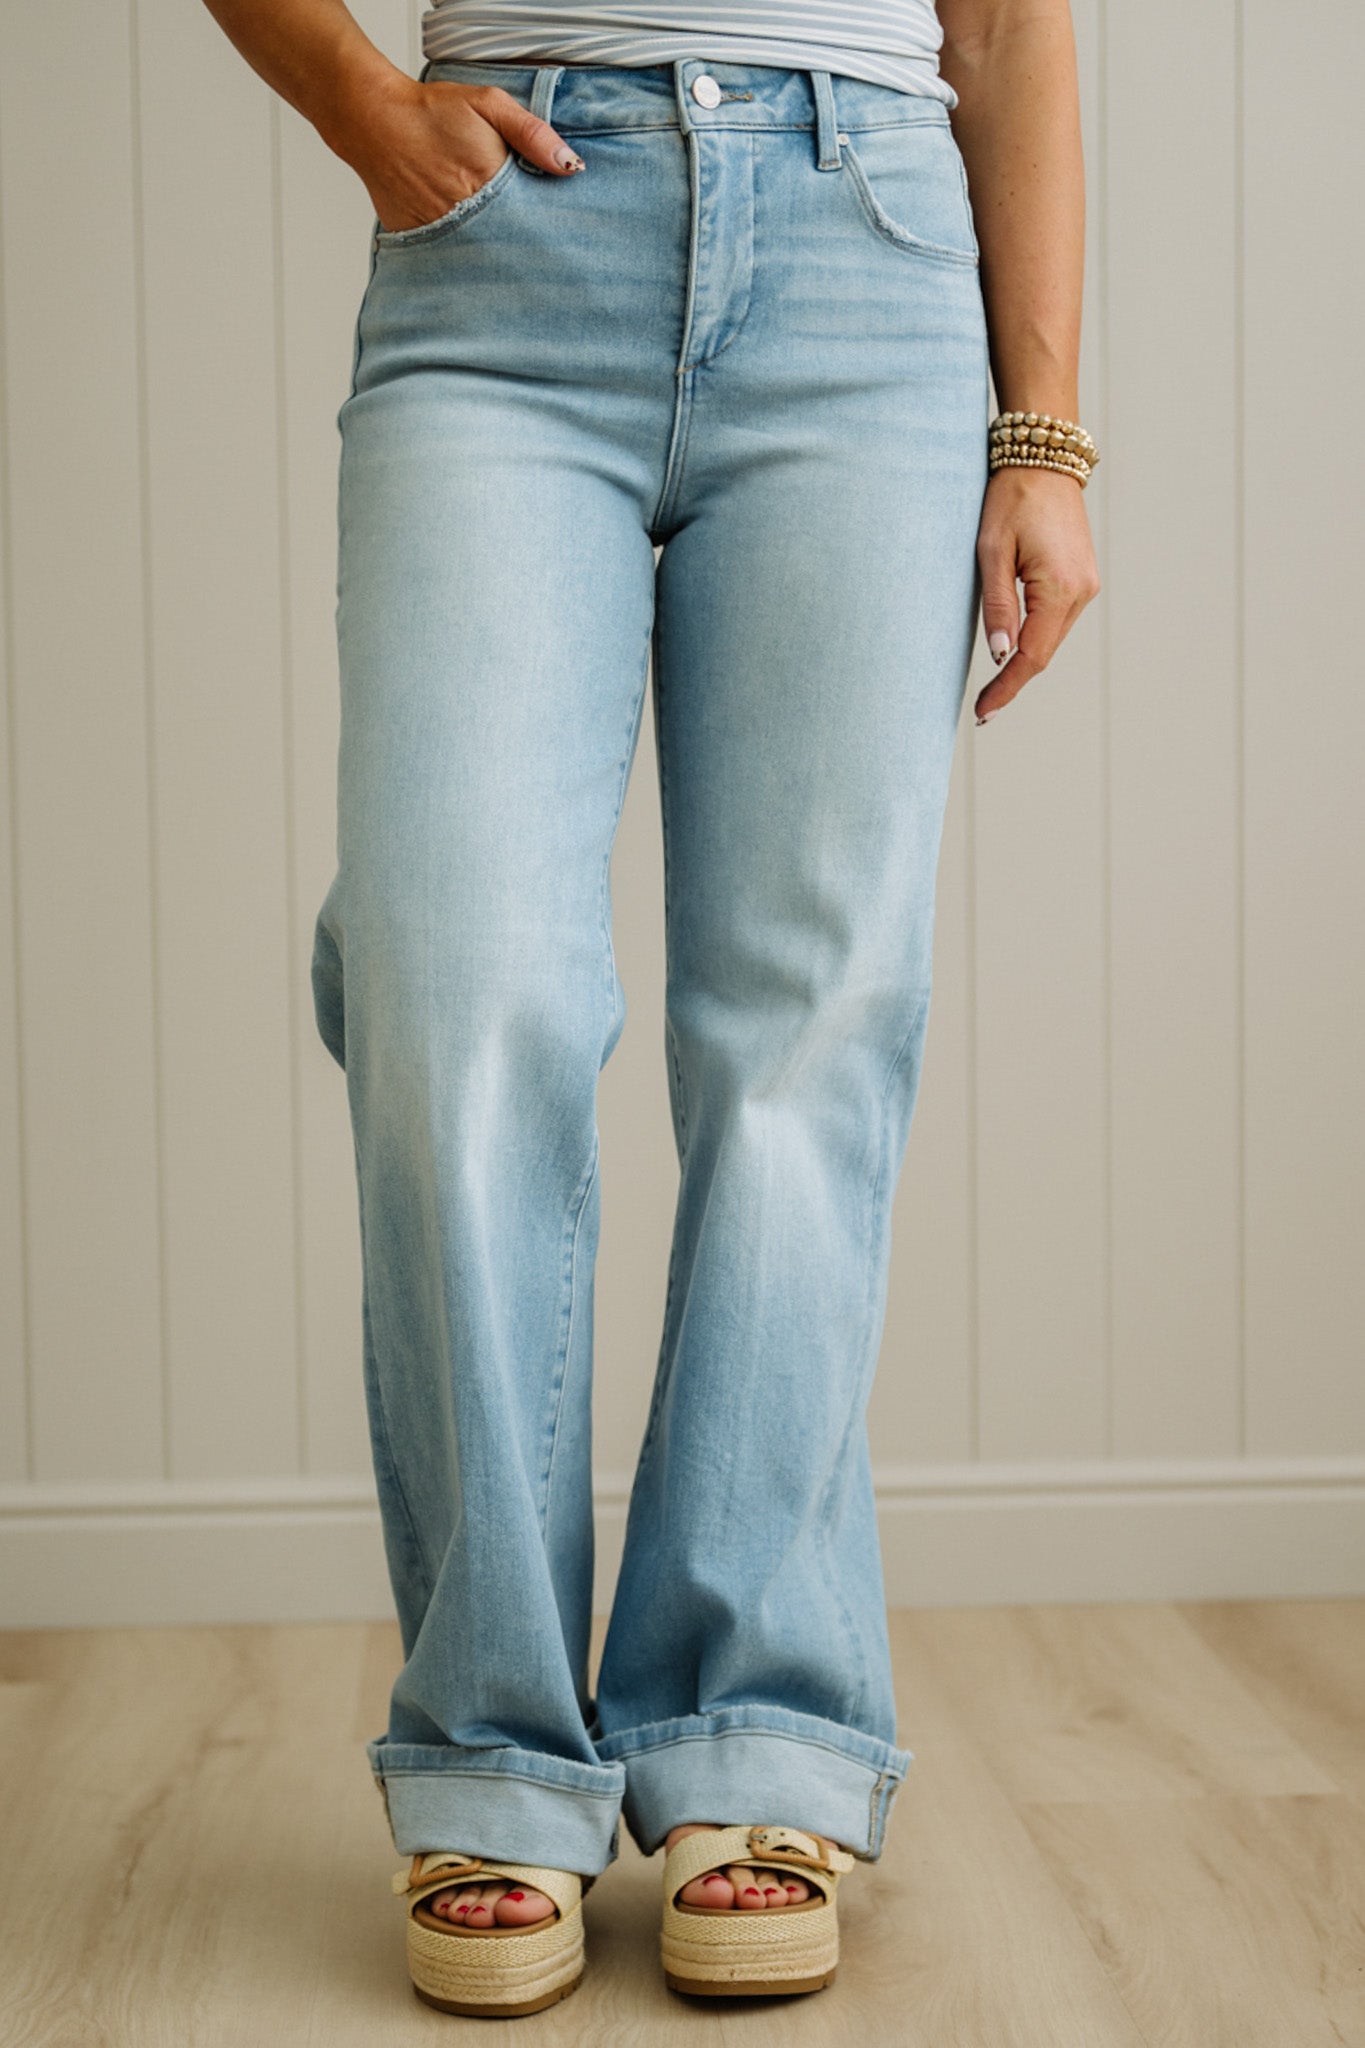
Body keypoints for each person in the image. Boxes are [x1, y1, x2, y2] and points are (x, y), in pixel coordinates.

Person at [204, 0, 1099, 2015]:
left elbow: (1007, 14)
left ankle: (751, 1734)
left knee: (803, 1026)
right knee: (455, 983)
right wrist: (356, 100)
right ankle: (494, 1749)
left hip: (864, 251)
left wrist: (1037, 431)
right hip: (508, 240)